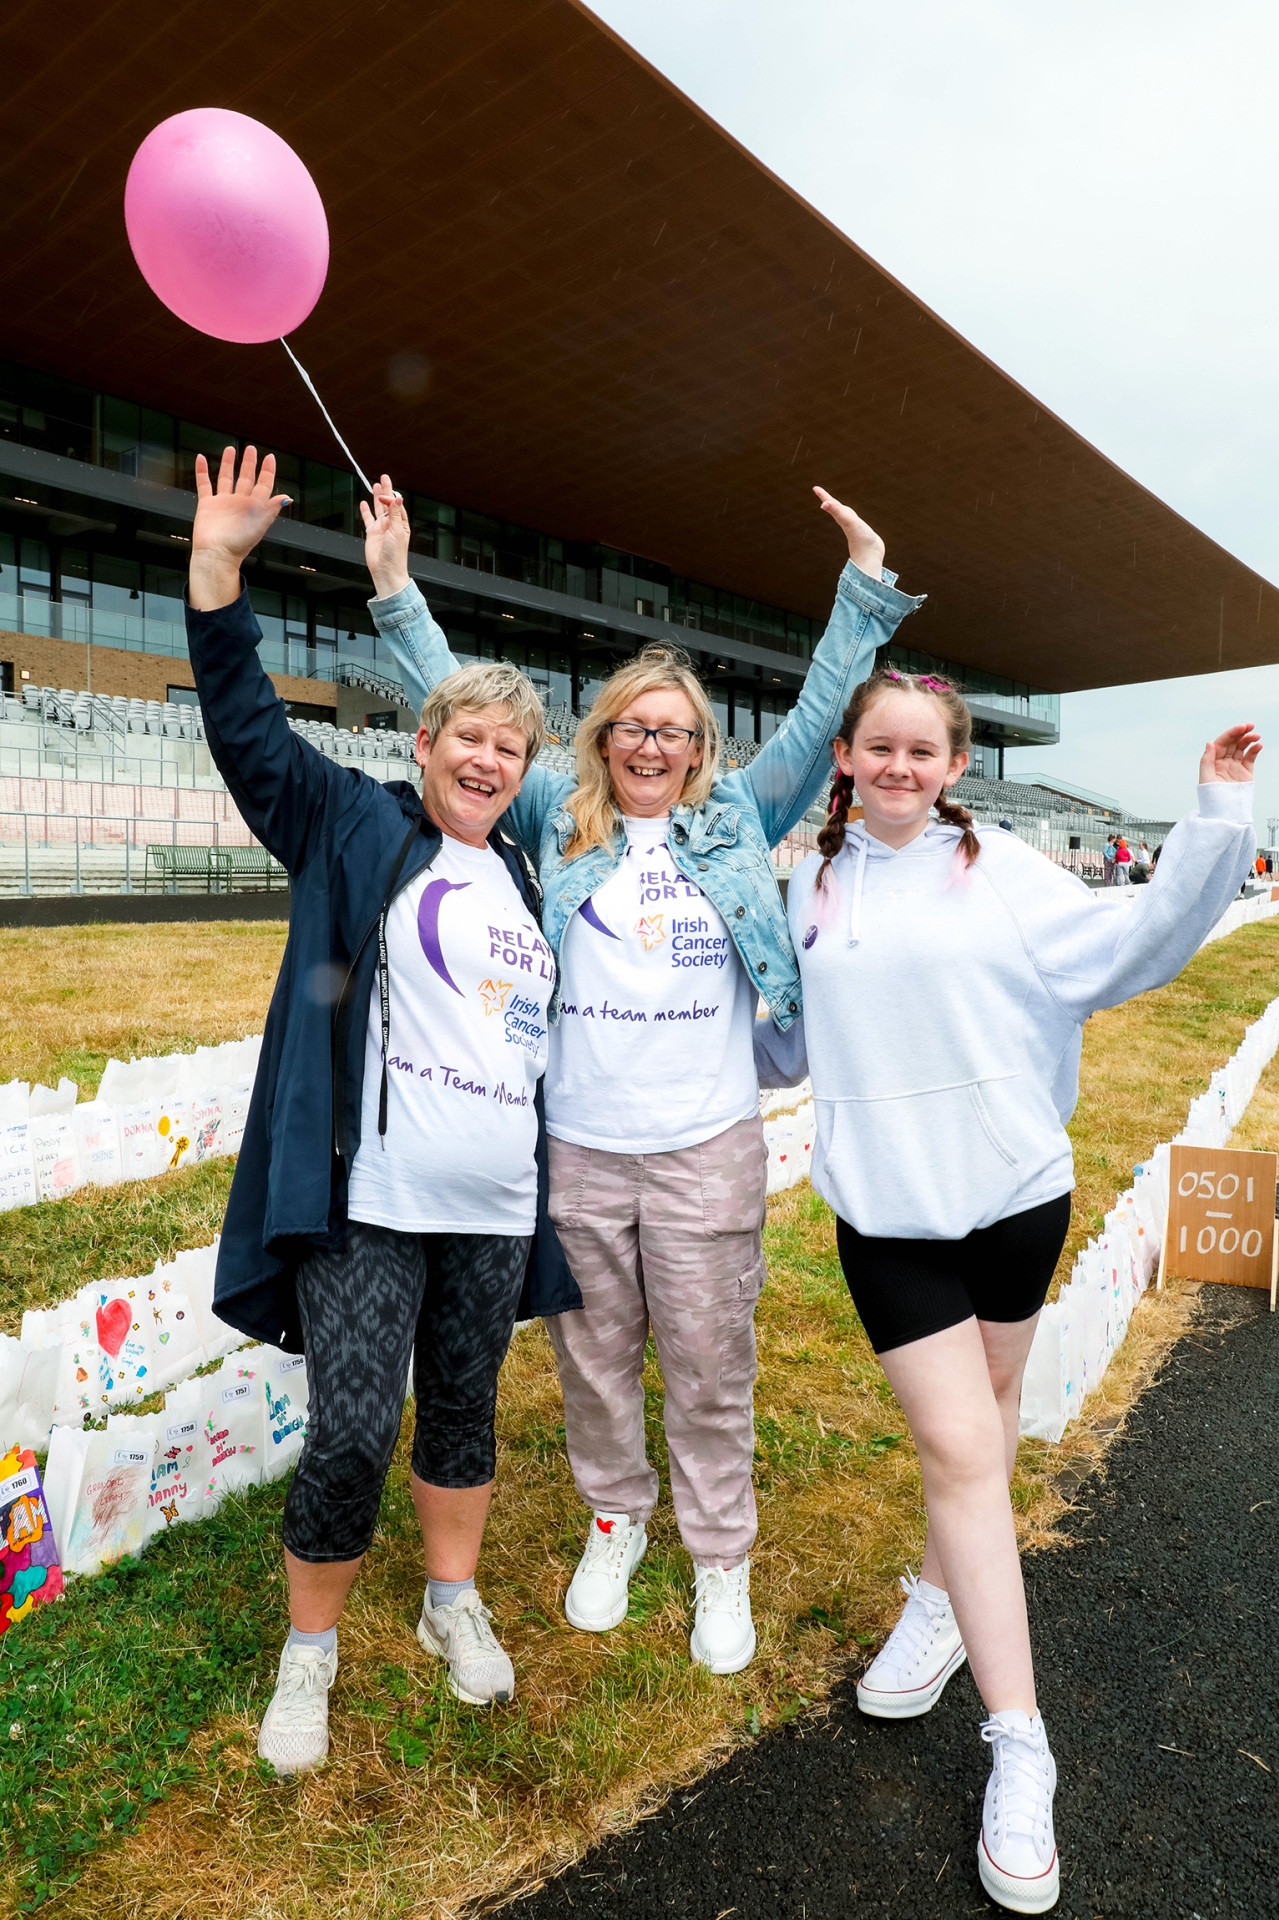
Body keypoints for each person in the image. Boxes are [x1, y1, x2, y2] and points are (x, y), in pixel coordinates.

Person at [360, 476, 923, 1673]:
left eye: (673, 729)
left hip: (705, 1145)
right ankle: (615, 1521)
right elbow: (454, 702)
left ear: (700, 748)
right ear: (602, 741)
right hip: (579, 1147)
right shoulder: (562, 814)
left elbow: (828, 700)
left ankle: (722, 1559)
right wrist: (397, 586)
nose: (652, 745)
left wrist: (862, 588)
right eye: (632, 727)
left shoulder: (736, 816)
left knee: (713, 1367)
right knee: (595, 1357)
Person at [756, 669, 1259, 1913]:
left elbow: (1138, 942)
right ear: (846, 758)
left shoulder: (1011, 874)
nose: (899, 769)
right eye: (878, 748)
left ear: (954, 761)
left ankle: (936, 1600)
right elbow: (774, 1030)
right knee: (965, 1454)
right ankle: (1019, 1745)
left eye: (922, 751)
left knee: (977, 1438)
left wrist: (1218, 818)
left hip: (1016, 1202)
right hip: (888, 1221)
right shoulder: (806, 885)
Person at [184, 447, 581, 1777]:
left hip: (490, 1205)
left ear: (520, 771)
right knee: (353, 1426)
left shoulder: (528, 872)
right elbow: (244, 730)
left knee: (463, 1408)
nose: (484, 755)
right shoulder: (351, 823)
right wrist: (216, 574)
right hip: (370, 1203)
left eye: (506, 744)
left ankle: (449, 1599)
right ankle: (311, 1650)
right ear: (424, 746)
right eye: (464, 733)